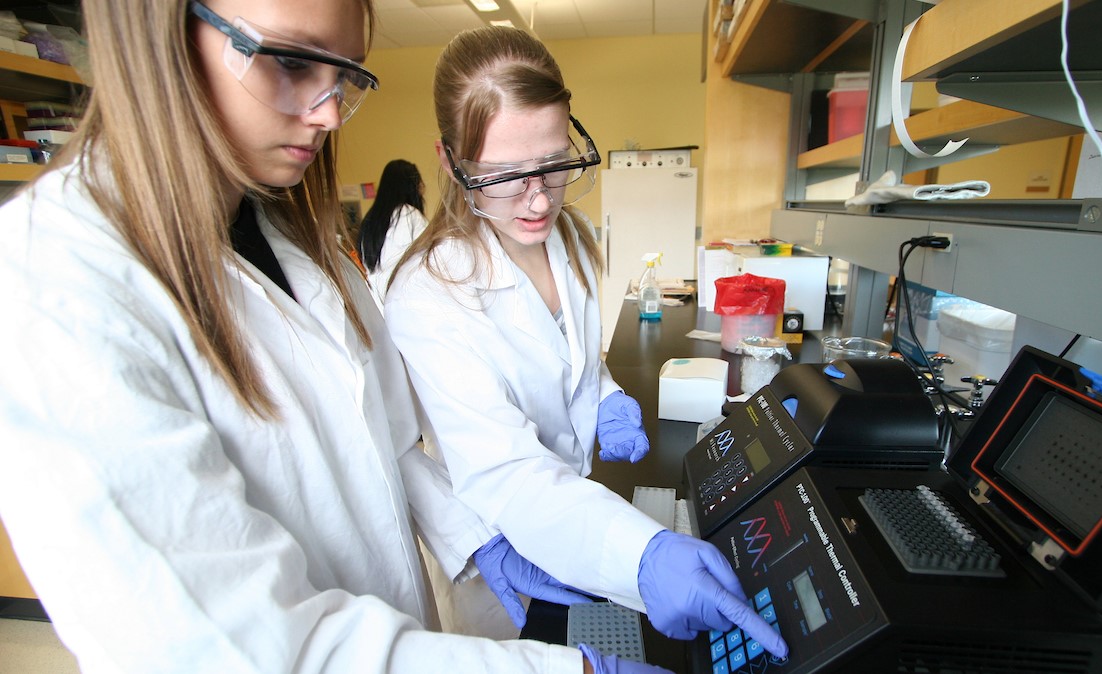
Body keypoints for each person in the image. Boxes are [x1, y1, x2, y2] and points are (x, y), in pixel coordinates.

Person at [0, 2, 668, 672]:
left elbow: (389, 443)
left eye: (344, 74)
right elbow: (239, 649)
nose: (327, 112)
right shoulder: (52, 286)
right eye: (291, 61)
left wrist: (475, 539)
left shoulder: (291, 235)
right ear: (160, 26)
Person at [383, 25, 789, 660]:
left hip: (577, 507)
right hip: (504, 546)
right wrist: (642, 554)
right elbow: (507, 471)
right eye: (506, 175)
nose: (539, 197)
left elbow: (573, 360)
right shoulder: (429, 292)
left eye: (553, 162)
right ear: (450, 162)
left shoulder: (566, 238)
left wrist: (605, 394)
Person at [357, 158, 428, 304]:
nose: (422, 187)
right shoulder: (408, 214)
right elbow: (426, 260)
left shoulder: (370, 219)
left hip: (375, 300)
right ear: (411, 186)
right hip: (402, 300)